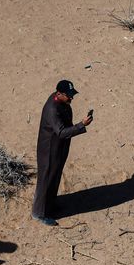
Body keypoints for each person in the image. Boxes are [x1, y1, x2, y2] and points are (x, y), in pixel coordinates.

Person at [32, 79, 92, 225]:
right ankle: (39, 213)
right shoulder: (52, 109)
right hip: (49, 151)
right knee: (46, 180)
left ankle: (50, 205)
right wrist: (81, 125)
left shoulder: (61, 101)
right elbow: (61, 132)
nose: (71, 97)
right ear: (59, 94)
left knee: (55, 176)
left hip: (58, 148)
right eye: (69, 95)